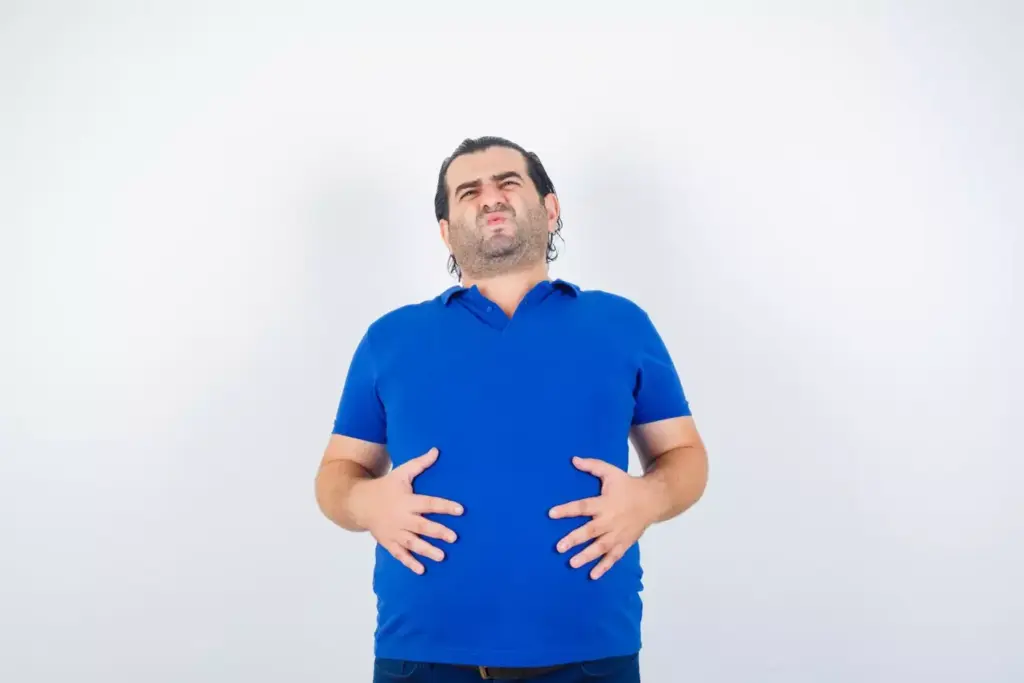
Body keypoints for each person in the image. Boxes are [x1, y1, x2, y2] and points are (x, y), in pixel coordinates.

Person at [315, 136, 709, 682]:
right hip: (421, 659)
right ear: (446, 231)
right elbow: (335, 475)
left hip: (591, 656)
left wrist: (648, 496)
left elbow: (685, 454)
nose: (489, 198)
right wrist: (365, 504)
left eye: (508, 183)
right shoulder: (390, 339)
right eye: (469, 191)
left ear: (549, 209)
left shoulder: (620, 324)